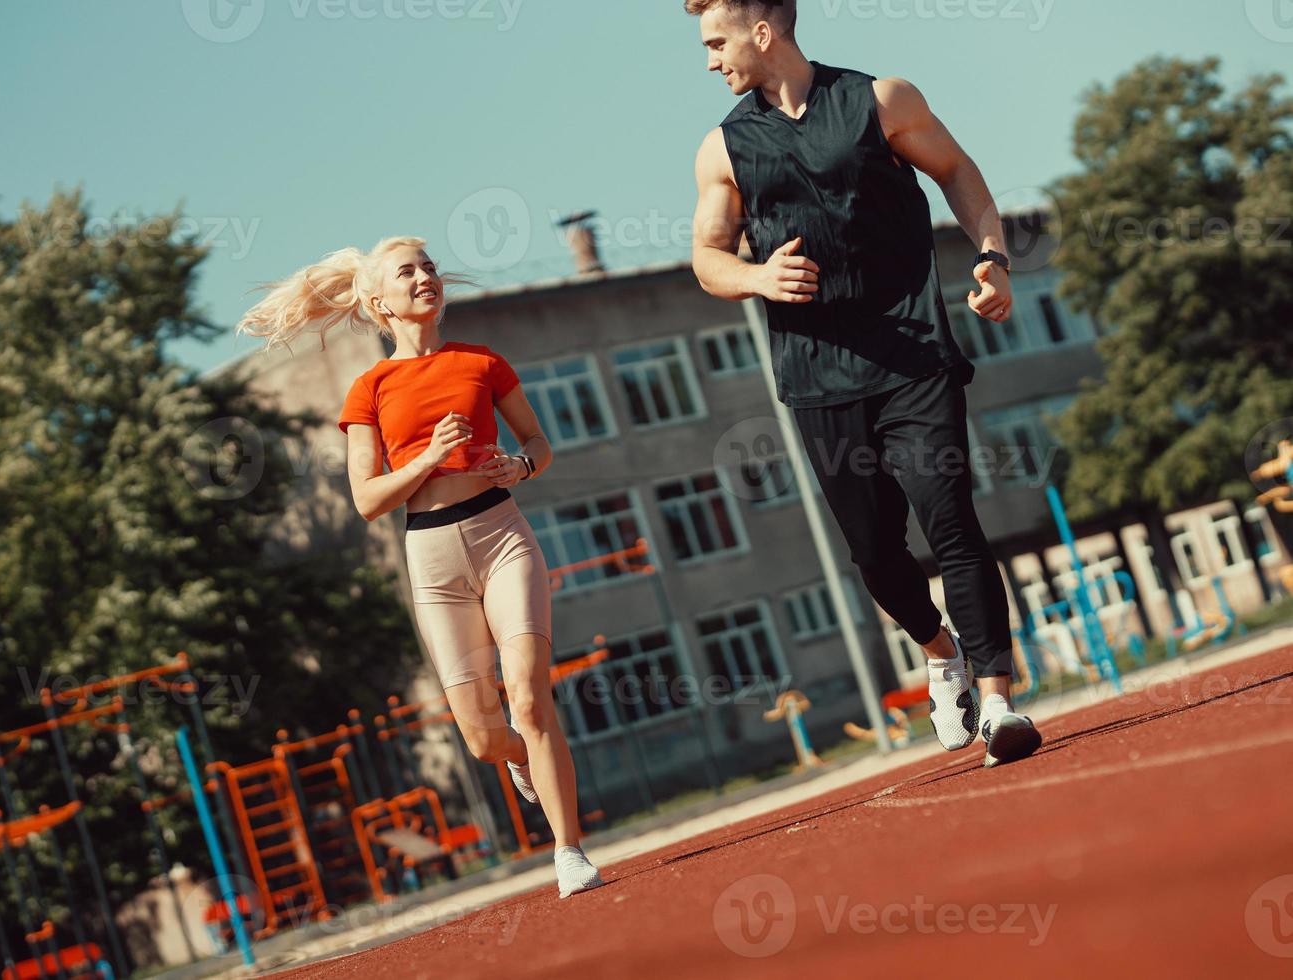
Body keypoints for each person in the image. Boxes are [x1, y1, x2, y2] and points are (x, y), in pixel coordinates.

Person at [685, 0, 1041, 767]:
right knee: (876, 550)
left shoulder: (883, 100)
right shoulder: (724, 148)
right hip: (819, 376)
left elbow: (959, 170)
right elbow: (707, 258)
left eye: (716, 43)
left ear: (762, 31)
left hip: (915, 356)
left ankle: (1001, 702)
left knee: (950, 520)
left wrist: (991, 256)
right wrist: (757, 276)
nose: (710, 60)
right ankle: (938, 648)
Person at [236, 236, 605, 896]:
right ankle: (520, 758)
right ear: (379, 301)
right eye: (407, 271)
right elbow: (368, 499)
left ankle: (569, 850)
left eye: (429, 267)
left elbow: (539, 444)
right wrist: (429, 459)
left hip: (502, 535)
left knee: (528, 694)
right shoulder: (370, 387)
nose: (424, 277)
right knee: (484, 741)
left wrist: (521, 466)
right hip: (433, 560)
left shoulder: (482, 362)